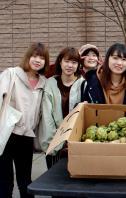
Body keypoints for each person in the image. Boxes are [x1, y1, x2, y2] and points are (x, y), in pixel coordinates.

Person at [0, 42, 49, 198]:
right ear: (28, 57)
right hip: (7, 134)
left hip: (27, 137)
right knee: (5, 182)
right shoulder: (11, 74)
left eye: (42, 57)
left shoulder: (44, 82)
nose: (37, 60)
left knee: (26, 182)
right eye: (34, 56)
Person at [39, 47, 84, 169]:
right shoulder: (50, 83)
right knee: (54, 180)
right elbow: (47, 117)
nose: (70, 65)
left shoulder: (83, 84)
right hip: (54, 141)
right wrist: (55, 142)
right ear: (60, 62)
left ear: (78, 65)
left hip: (76, 141)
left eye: (74, 62)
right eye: (67, 61)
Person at [81, 43, 126, 111]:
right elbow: (82, 106)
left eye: (124, 59)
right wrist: (83, 105)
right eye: (115, 58)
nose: (119, 63)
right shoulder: (93, 81)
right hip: (98, 121)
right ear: (107, 59)